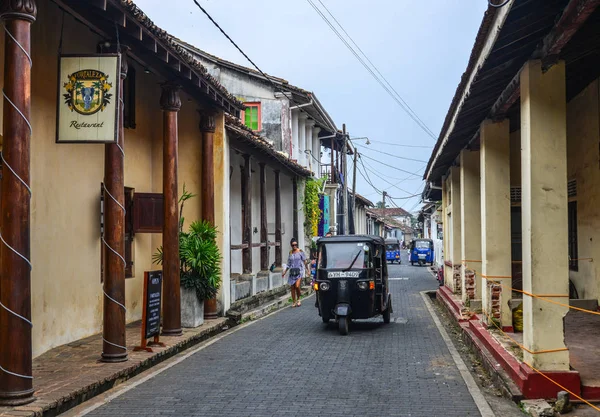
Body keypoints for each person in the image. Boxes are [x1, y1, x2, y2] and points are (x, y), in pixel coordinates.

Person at [283, 238, 306, 307]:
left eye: (296, 245)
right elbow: (289, 263)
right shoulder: (290, 253)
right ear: (291, 245)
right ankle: (294, 301)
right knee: (292, 287)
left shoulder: (300, 252)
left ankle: (299, 299)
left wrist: (307, 270)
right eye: (293, 245)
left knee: (297, 286)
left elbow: (304, 261)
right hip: (292, 272)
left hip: (299, 271)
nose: (294, 246)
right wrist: (285, 271)